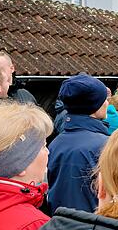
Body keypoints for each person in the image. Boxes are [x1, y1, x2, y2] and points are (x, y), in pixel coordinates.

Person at [47, 74, 110, 213]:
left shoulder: (55, 143)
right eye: (104, 99)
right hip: (93, 222)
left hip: (58, 221)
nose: (107, 103)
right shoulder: (105, 145)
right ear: (94, 105)